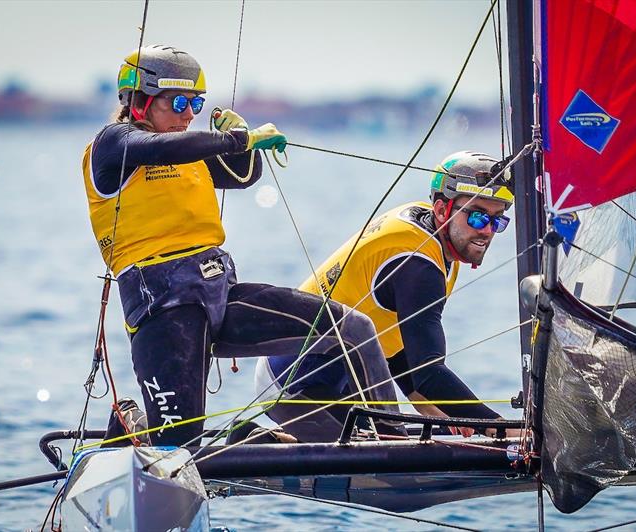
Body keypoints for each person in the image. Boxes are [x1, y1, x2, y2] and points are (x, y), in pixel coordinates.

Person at [83, 45, 403, 447]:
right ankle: (132, 430)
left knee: (354, 328)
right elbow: (159, 148)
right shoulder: (115, 144)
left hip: (218, 288)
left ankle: (395, 441)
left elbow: (243, 175)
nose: (188, 115)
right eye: (178, 102)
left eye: (196, 104)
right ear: (139, 102)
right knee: (178, 445)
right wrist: (231, 140)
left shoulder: (186, 148)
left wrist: (244, 140)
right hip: (163, 304)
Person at [256, 150, 518, 440]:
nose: (487, 232)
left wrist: (434, 407)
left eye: (498, 221)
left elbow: (398, 349)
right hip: (296, 380)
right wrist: (500, 428)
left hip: (334, 374)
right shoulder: (418, 263)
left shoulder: (433, 238)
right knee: (393, 457)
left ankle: (264, 441)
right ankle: (249, 447)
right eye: (479, 218)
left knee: (397, 441)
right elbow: (429, 371)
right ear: (443, 210)